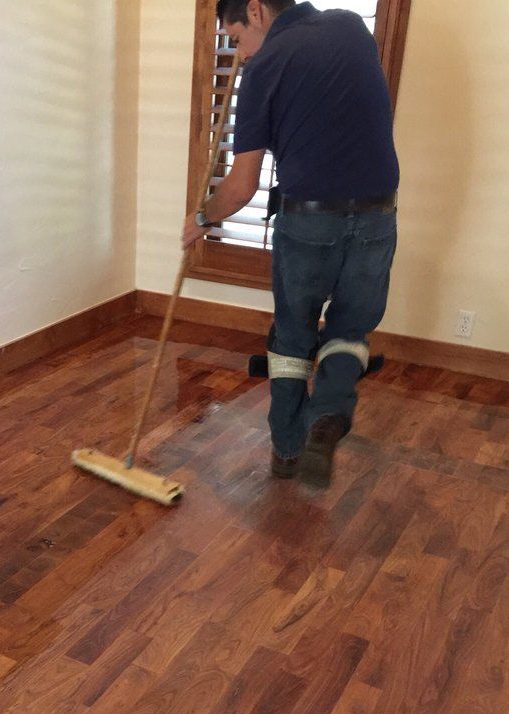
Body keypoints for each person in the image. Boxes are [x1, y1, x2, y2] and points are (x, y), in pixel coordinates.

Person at [182, 0, 399, 489]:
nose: (238, 52)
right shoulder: (349, 26)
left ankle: (286, 451)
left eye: (235, 37)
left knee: (292, 339)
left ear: (255, 10)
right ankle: (327, 417)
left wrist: (201, 218)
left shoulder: (262, 70)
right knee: (349, 331)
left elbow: (240, 188)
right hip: (378, 215)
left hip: (309, 222)